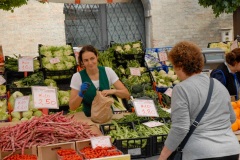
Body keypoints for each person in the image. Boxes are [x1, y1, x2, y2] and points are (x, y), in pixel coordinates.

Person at [158, 41, 240, 160]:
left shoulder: (181, 89)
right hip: (230, 150)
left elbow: (180, 128)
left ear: (180, 65)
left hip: (201, 153)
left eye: (174, 66)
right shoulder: (218, 85)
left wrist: (163, 156)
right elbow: (231, 118)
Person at [69, 45, 130, 117]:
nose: (90, 63)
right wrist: (80, 94)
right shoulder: (77, 77)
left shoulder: (108, 71)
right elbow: (72, 107)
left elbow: (126, 94)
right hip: (89, 118)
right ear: (82, 62)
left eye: (92, 58)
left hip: (107, 117)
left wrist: (113, 91)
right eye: (86, 60)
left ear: (97, 57)